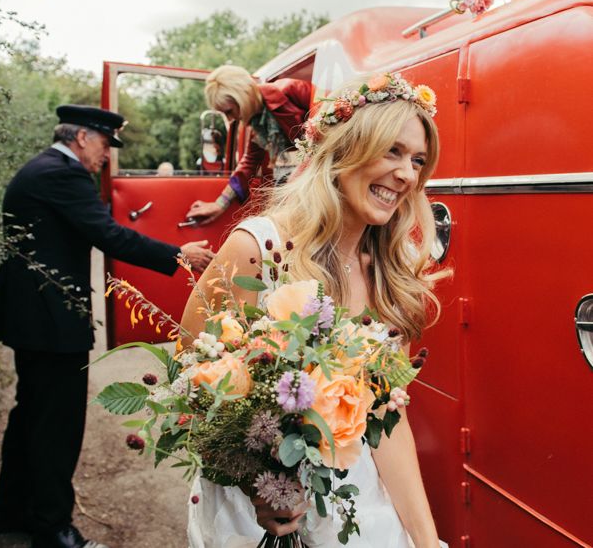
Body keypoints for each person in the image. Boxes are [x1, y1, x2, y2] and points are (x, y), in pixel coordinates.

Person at [181, 73, 448, 547]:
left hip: (354, 505)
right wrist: (259, 487)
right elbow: (191, 391)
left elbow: (388, 419)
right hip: (256, 517)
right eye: (392, 151)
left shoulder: (390, 273)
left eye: (418, 160)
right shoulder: (259, 250)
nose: (408, 174)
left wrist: (427, 539)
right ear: (344, 149)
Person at [0, 104, 213, 548]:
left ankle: (10, 515)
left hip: (36, 319)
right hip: (49, 321)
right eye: (105, 144)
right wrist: (179, 255)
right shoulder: (62, 175)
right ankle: (52, 529)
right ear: (82, 137)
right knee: (56, 425)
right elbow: (109, 234)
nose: (107, 156)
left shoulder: (43, 170)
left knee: (31, 417)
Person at [186, 64, 312, 225]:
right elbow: (248, 164)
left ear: (242, 96)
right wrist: (219, 204)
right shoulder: (257, 126)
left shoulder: (289, 90)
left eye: (229, 111)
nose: (230, 119)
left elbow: (330, 120)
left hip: (312, 182)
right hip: (291, 189)